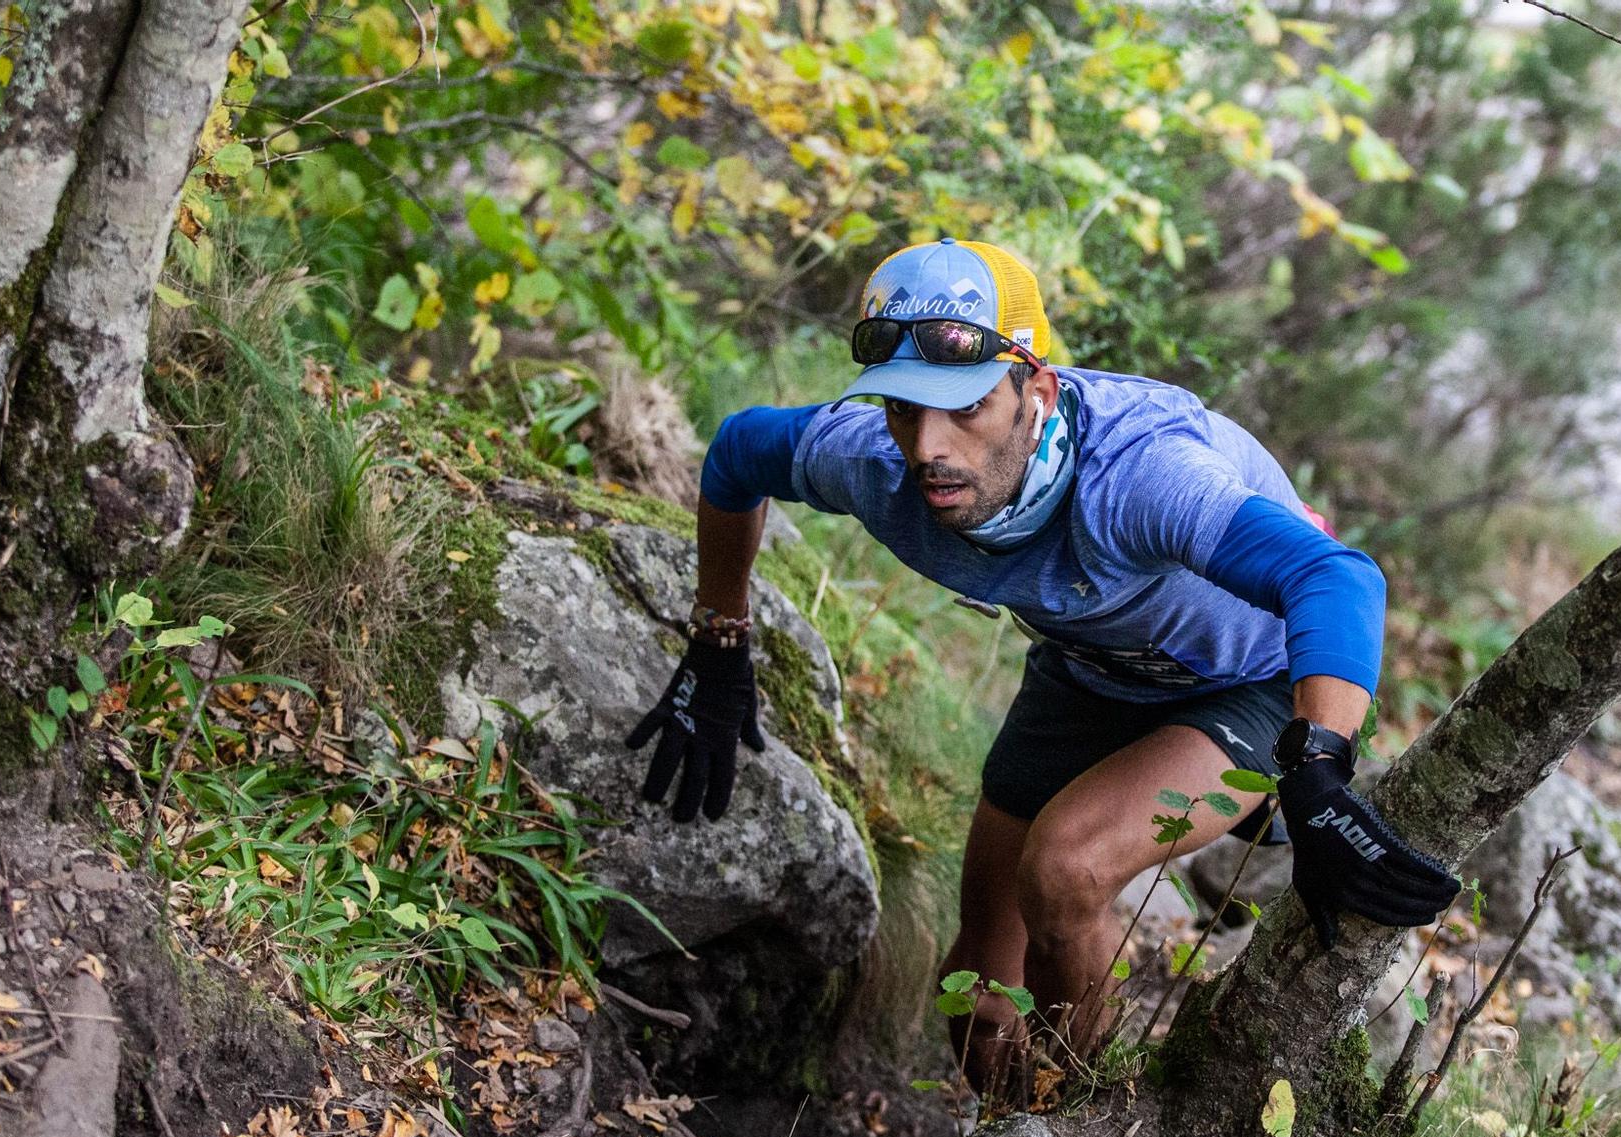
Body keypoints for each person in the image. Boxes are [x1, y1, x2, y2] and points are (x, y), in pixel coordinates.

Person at [622, 237, 1458, 1086]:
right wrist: (720, 637)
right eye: (904, 410)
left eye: (966, 408)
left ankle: (1081, 1134)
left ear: (1038, 391)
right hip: (1091, 667)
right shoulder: (877, 467)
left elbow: (1334, 574)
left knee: (1065, 871)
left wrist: (1320, 767)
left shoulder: (1140, 474)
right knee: (976, 984)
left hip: (1257, 679)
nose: (928, 448)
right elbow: (737, 454)